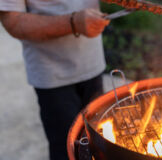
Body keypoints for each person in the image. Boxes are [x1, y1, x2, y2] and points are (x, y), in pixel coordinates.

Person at [0, 0, 110, 159]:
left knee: (100, 145)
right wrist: (72, 23)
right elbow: (12, 20)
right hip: (52, 75)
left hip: (92, 63)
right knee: (66, 150)